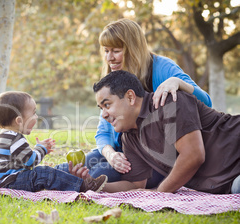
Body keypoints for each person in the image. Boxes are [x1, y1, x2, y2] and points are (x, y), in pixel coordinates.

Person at [84, 18, 213, 188]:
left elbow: (206, 102)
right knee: (86, 162)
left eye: (116, 50)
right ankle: (48, 178)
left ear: (133, 48)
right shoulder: (112, 79)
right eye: (106, 51)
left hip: (157, 156)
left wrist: (177, 82)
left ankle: (75, 183)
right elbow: (103, 131)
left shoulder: (161, 68)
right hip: (125, 151)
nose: (110, 58)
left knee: (101, 173)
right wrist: (111, 154)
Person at [91, 70, 240, 194]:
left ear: (130, 97)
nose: (103, 114)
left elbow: (193, 155)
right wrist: (92, 186)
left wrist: (160, 191)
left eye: (107, 105)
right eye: (101, 108)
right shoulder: (129, 137)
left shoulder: (169, 102)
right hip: (229, 184)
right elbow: (136, 185)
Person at [0, 91, 107, 193]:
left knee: (46, 172)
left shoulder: (7, 135)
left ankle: (73, 181)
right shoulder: (14, 138)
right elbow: (30, 162)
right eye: (33, 113)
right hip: (9, 183)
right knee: (43, 173)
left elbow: (23, 161)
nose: (36, 117)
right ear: (19, 121)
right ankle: (83, 186)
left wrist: (39, 149)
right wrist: (41, 149)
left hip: (8, 181)